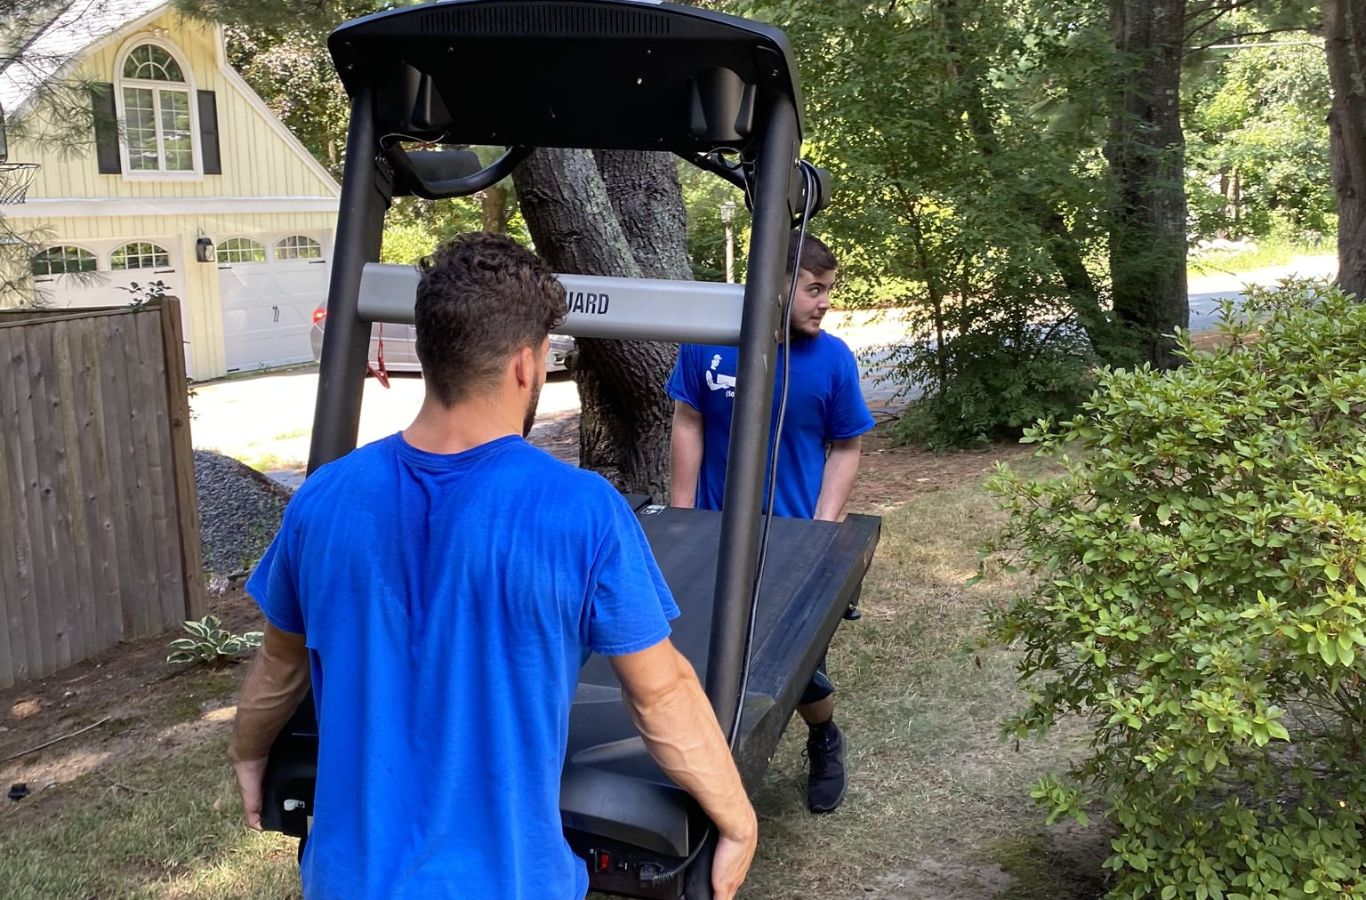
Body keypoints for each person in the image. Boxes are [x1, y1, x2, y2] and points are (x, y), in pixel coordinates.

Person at [228, 233, 757, 899]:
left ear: (428, 351)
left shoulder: (323, 499)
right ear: (525, 365)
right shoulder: (582, 510)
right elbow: (660, 696)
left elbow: (280, 666)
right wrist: (738, 821)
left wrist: (248, 752)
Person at [666, 231, 874, 814]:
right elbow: (688, 422)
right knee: (697, 657)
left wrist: (822, 529)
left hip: (790, 539)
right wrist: (682, 514)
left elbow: (846, 446)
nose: (825, 302)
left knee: (802, 669)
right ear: (776, 286)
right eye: (814, 289)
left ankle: (823, 737)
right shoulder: (709, 345)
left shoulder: (832, 360)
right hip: (711, 531)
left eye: (829, 290)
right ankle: (705, 770)